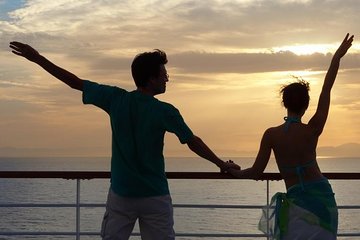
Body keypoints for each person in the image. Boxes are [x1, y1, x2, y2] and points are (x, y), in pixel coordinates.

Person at [9, 42, 240, 240]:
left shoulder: (115, 99)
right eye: (163, 74)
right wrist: (221, 164)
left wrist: (38, 59)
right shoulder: (165, 111)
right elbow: (192, 141)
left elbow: (74, 82)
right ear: (151, 79)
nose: (167, 79)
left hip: (122, 195)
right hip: (155, 195)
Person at [228, 33, 354, 240]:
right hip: (323, 200)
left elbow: (256, 171)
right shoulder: (312, 130)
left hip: (295, 204)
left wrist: (233, 171)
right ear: (305, 106)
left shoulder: (271, 135)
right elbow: (326, 89)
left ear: (284, 103)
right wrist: (336, 58)